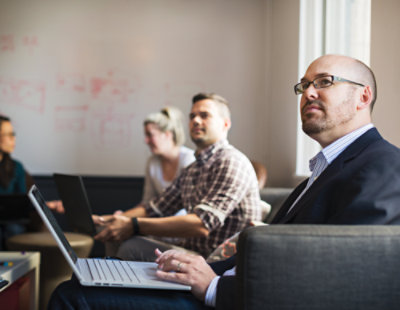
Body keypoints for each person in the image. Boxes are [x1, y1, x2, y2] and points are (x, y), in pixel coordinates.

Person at [50, 54, 400, 310]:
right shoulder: (328, 166)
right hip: (225, 276)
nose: (308, 92)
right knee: (96, 275)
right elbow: (159, 206)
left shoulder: (382, 165)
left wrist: (215, 286)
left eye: (324, 82)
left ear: (363, 96)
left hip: (234, 296)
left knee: (73, 297)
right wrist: (192, 268)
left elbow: (348, 278)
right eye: (304, 85)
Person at [93, 93, 262, 261]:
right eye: (192, 116)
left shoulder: (231, 161)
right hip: (191, 249)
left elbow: (202, 225)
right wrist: (112, 220)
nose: (195, 120)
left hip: (216, 261)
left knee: (132, 247)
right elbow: (155, 208)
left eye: (204, 115)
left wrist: (134, 225)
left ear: (226, 124)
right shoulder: (192, 169)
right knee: (114, 234)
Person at [104, 106, 195, 255]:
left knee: (125, 239)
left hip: (176, 228)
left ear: (167, 134)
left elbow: (187, 212)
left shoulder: (189, 160)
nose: (146, 140)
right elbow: (147, 203)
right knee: (112, 232)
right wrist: (122, 217)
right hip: (154, 223)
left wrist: (129, 220)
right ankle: (108, 274)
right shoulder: (153, 162)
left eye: (150, 135)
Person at [0, 115, 34, 249]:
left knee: (13, 230)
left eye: (13, 134)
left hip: (12, 222)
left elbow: (22, 202)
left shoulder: (16, 167)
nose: (13, 139)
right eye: (8, 135)